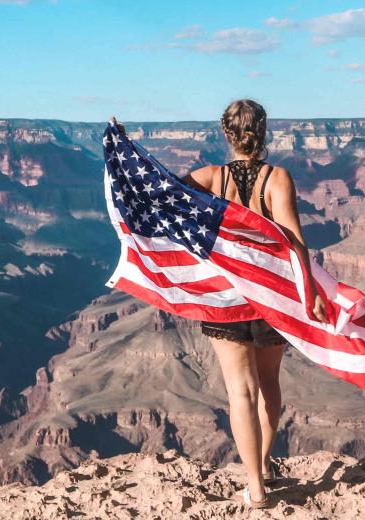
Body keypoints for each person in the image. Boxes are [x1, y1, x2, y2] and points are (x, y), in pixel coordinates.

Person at [114, 99, 329, 509]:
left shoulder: (212, 176)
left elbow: (161, 192)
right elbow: (294, 240)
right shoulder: (278, 178)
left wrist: (125, 153)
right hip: (272, 296)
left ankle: (256, 487)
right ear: (263, 132)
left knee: (241, 392)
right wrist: (311, 293)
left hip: (227, 299)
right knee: (269, 383)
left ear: (226, 134)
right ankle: (264, 464)